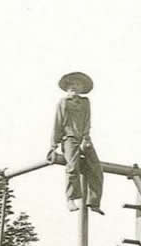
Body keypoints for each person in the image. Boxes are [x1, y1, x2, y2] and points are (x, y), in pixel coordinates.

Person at [48, 71, 104, 214]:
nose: (74, 87)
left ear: (82, 88)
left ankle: (94, 201)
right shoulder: (63, 103)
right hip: (69, 137)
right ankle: (71, 198)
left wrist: (86, 138)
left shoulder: (85, 102)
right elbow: (57, 123)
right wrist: (53, 145)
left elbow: (87, 121)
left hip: (83, 138)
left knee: (96, 167)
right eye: (71, 84)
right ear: (67, 87)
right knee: (73, 166)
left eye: (77, 84)